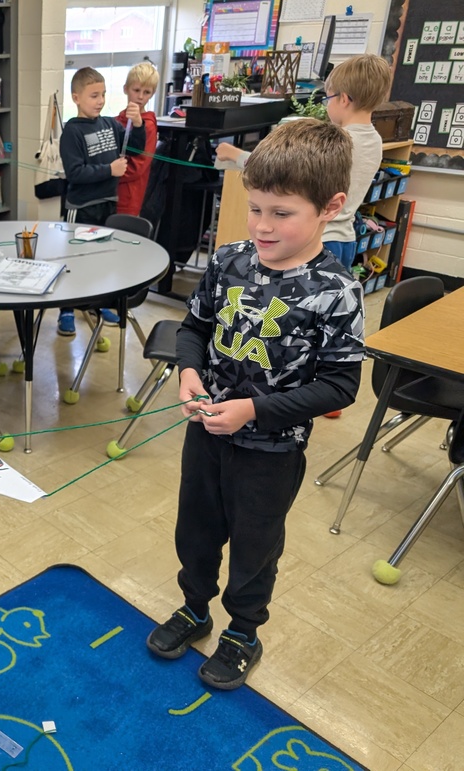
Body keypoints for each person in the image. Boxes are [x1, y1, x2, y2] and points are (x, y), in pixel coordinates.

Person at [146, 119, 365, 690]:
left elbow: (341, 387)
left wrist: (254, 411)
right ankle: (195, 608)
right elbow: (193, 327)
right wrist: (189, 370)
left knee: (254, 545)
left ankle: (243, 631)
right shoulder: (229, 261)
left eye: (281, 213)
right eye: (256, 209)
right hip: (206, 436)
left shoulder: (337, 290)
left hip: (271, 452)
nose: (263, 227)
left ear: (329, 208)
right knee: (195, 530)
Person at [216, 54, 389, 419]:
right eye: (257, 210)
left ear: (344, 98)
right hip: (342, 234)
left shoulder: (345, 141)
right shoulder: (372, 138)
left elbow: (290, 180)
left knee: (303, 320)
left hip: (322, 239)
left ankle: (301, 391)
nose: (262, 223)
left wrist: (237, 156)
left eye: (328, 98)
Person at [57, 66, 146, 336]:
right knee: (75, 260)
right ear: (76, 98)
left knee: (101, 258)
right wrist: (109, 170)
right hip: (82, 207)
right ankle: (67, 310)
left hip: (108, 203)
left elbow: (136, 148)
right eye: (94, 95)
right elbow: (75, 172)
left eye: (103, 94)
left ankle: (98, 302)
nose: (100, 101)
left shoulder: (110, 124)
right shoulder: (71, 132)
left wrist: (139, 125)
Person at [115, 61, 159, 217]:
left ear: (152, 94)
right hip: (108, 193)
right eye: (136, 90)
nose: (140, 97)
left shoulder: (148, 126)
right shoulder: (117, 120)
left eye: (146, 92)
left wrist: (106, 175)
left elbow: (137, 167)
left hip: (129, 196)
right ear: (126, 89)